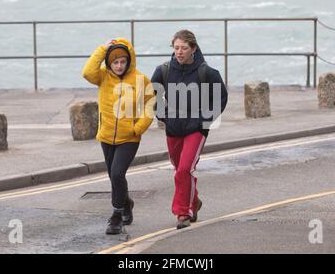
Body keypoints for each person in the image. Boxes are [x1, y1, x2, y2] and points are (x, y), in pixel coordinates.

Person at [151, 30, 228, 229]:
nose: (179, 52)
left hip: (196, 128)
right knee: (180, 170)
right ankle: (194, 202)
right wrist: (162, 114)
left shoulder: (206, 72)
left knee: (184, 169)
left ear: (193, 49)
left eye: (184, 48)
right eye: (176, 48)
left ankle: (183, 214)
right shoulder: (164, 70)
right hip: (173, 128)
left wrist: (206, 119)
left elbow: (220, 97)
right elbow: (153, 94)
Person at [82, 38, 154, 235]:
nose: (119, 65)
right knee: (114, 177)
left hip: (129, 138)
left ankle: (116, 216)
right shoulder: (103, 77)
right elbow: (87, 72)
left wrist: (138, 127)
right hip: (106, 136)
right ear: (109, 63)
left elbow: (151, 104)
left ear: (129, 60)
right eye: (115, 62)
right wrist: (102, 48)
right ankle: (127, 203)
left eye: (123, 61)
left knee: (117, 174)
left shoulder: (140, 79)